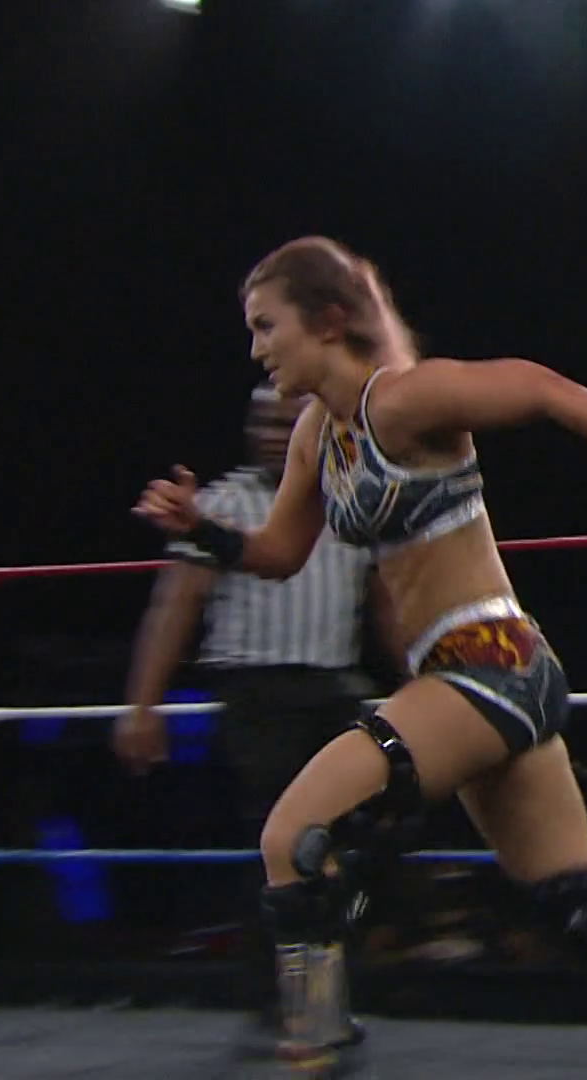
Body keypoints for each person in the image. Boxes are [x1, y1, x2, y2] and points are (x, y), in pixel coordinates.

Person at [133, 235, 587, 1077]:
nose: (256, 349)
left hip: (490, 660)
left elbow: (542, 388)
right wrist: (199, 529)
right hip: (465, 684)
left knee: (295, 836)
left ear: (327, 322)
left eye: (266, 326)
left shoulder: (405, 399)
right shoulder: (318, 436)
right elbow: (280, 553)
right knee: (578, 905)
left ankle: (317, 1045)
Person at [117, 383, 384, 1060]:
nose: (271, 432)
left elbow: (388, 602)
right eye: (262, 421)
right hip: (257, 693)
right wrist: (143, 705)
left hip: (335, 691)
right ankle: (280, 1005)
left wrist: (431, 683)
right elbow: (176, 604)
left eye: (286, 421)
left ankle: (322, 1001)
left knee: (346, 849)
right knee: (284, 846)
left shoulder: (349, 499)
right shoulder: (223, 504)